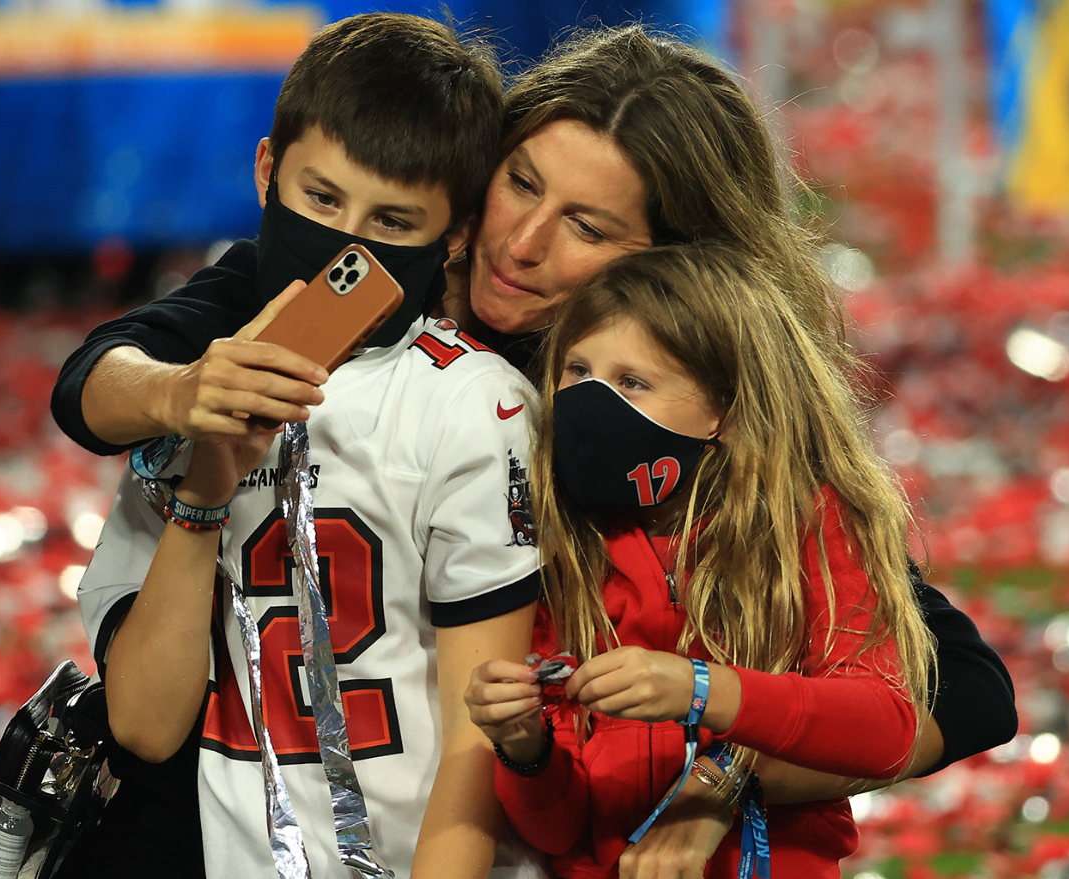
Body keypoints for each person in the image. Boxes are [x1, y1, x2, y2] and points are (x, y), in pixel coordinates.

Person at [52, 21, 1015, 875]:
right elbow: (95, 381)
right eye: (520, 184)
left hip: (483, 824)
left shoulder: (664, 408)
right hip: (230, 792)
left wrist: (720, 773)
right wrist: (179, 393)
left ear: (669, 268)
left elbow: (962, 687)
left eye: (586, 227)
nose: (521, 243)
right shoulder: (351, 279)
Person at [69, 13, 543, 879]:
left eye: (392, 221)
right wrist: (203, 472)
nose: (344, 244)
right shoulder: (209, 367)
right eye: (321, 200)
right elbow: (142, 722)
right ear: (267, 171)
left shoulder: (474, 400)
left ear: (454, 235)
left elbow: (478, 727)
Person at [465, 242, 936, 878]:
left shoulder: (807, 518)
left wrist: (701, 689)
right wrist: (524, 749)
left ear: (724, 408)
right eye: (577, 371)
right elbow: (560, 829)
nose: (590, 401)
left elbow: (886, 730)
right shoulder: (560, 541)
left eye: (632, 382)